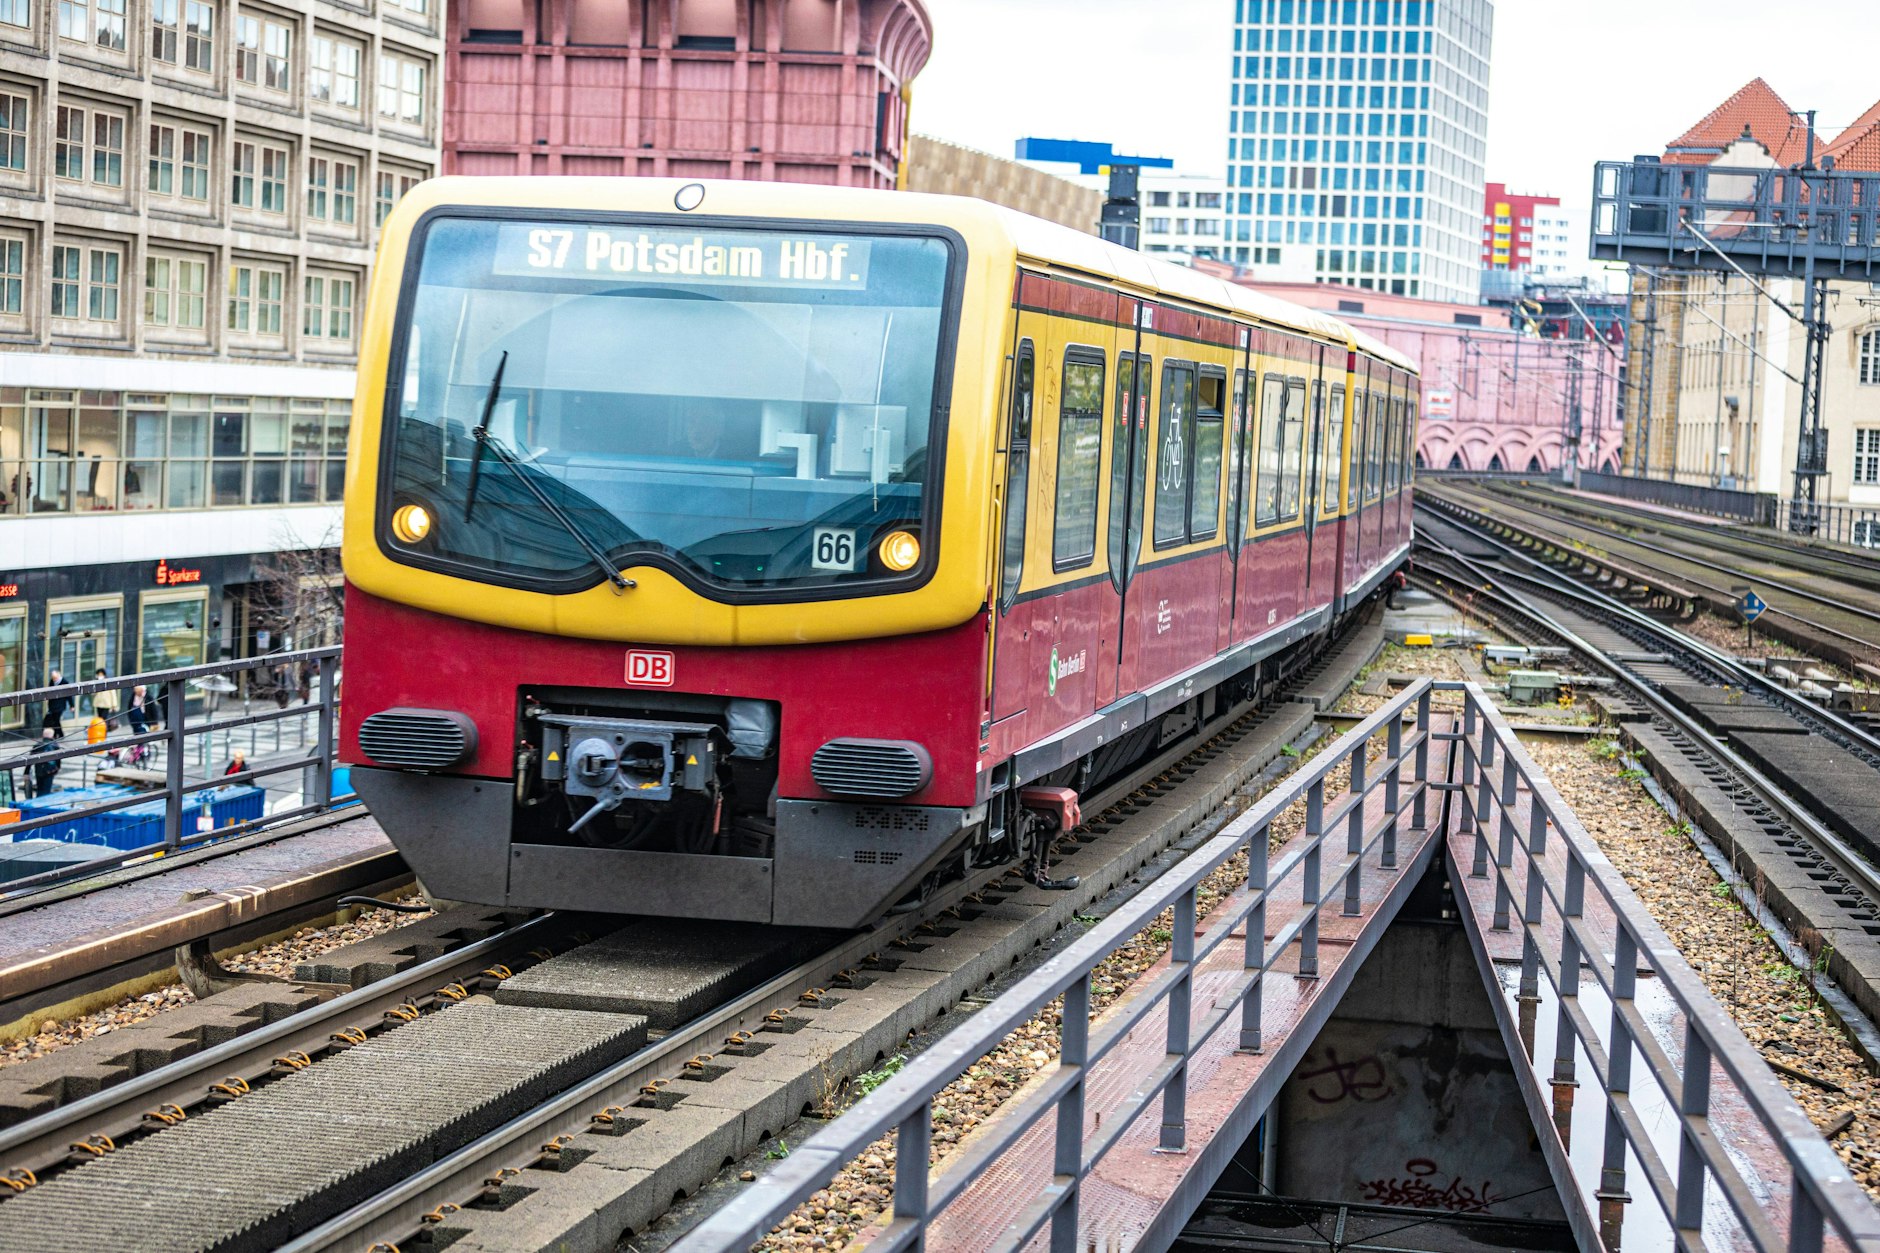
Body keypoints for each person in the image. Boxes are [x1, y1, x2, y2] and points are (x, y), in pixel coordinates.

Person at [29, 729, 60, 798]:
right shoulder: (55, 746)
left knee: (40, 788)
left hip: (39, 771)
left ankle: (38, 801)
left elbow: (29, 760)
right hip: (49, 772)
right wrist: (57, 768)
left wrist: (26, 772)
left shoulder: (37, 746)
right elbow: (58, 760)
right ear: (52, 735)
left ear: (43, 735)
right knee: (46, 790)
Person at [42, 670, 69, 738]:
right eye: (53, 678)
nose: (54, 679)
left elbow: (69, 695)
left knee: (56, 720)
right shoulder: (52, 681)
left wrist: (72, 705)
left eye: (55, 678)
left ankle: (57, 734)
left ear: (59, 676)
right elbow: (49, 691)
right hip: (52, 704)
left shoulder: (64, 682)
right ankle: (58, 734)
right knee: (55, 720)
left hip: (60, 705)